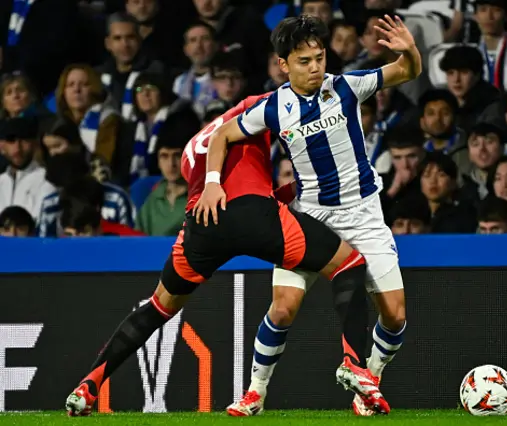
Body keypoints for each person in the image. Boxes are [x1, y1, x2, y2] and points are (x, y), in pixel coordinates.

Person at [64, 95, 388, 417]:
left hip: (202, 227)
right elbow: (296, 106)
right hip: (253, 213)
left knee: (158, 306)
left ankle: (88, 386)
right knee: (349, 264)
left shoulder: (192, 148)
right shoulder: (252, 107)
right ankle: (355, 365)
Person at [196, 14, 421, 416]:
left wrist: (410, 49)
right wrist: (213, 181)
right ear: (283, 64)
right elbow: (222, 135)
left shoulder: (347, 87)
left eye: (319, 57)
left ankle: (369, 378)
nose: (316, 66)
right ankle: (255, 393)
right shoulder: (274, 108)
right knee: (282, 308)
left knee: (396, 316)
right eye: (304, 60)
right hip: (309, 219)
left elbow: (407, 70)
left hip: (364, 216)